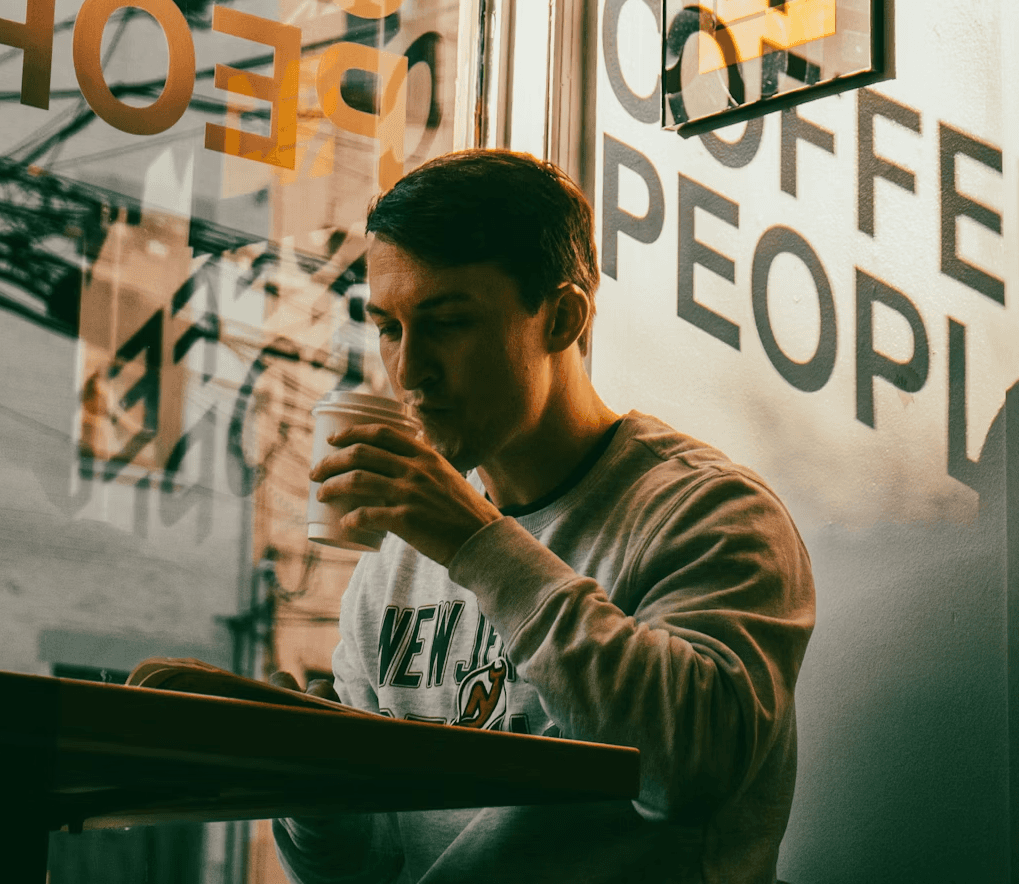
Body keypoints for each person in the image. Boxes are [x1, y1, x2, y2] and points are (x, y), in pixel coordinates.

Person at [272, 149, 816, 884]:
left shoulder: (710, 513)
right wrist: (311, 786)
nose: (408, 371)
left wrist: (475, 543)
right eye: (391, 328)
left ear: (561, 317)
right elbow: (364, 868)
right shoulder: (394, 561)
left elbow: (688, 776)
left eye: (449, 321)